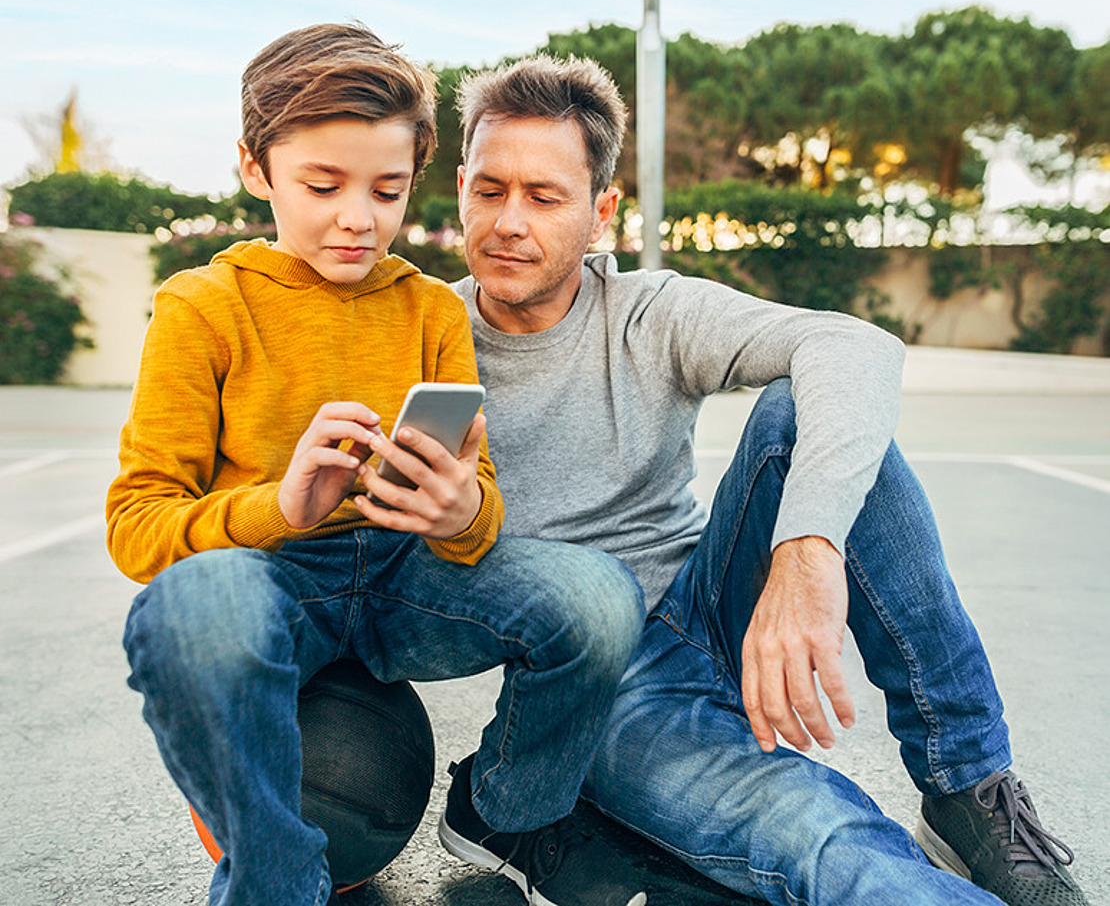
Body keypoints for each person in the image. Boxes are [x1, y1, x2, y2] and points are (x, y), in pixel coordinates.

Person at [449, 53, 1090, 906]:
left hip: (716, 600)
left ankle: (967, 783)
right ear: (459, 185)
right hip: (608, 685)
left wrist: (806, 546)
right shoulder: (425, 335)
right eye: (490, 190)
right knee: (829, 844)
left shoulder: (650, 311)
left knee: (801, 409)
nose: (508, 222)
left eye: (544, 195)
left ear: (602, 213)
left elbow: (854, 346)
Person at [107, 24, 649, 906]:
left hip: (405, 577)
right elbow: (138, 527)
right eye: (322, 185)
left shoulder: (431, 311)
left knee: (596, 597)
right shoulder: (201, 307)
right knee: (189, 608)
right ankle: (274, 881)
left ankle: (513, 816)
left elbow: (482, 518)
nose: (357, 217)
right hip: (272, 579)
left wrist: (459, 510)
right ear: (256, 169)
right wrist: (280, 505)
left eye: (387, 190)